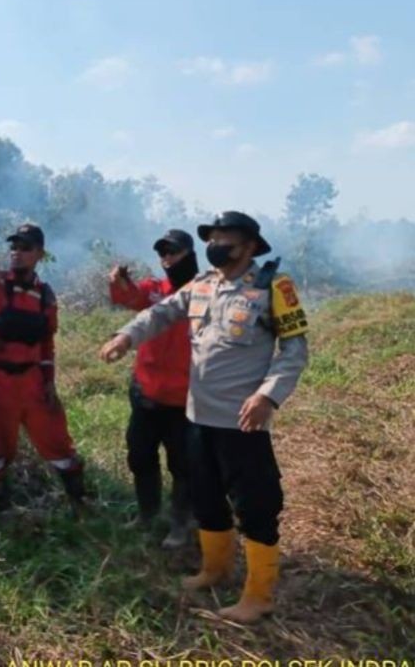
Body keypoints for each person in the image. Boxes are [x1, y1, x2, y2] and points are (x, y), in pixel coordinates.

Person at [100, 211, 309, 624]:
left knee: (255, 507)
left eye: (224, 239)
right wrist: (126, 336)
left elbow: (294, 351)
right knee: (207, 499)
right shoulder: (202, 284)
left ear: (249, 246)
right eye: (211, 239)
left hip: (242, 422)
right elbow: (159, 314)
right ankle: (215, 570)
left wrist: (268, 395)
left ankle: (259, 596)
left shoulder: (273, 287)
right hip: (197, 417)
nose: (215, 246)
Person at [0, 224, 85, 514]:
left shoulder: (45, 296)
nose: (17, 253)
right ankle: (1, 507)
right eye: (14, 247)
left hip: (32, 379)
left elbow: (47, 343)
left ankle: (79, 502)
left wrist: (49, 382)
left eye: (25, 248)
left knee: (56, 440)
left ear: (39, 254)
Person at [108, 229, 198, 548]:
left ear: (189, 253)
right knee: (140, 455)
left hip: (185, 398)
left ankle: (180, 523)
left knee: (183, 464)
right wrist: (119, 282)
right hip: (146, 393)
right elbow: (130, 298)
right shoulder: (155, 289)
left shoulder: (205, 293)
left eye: (173, 251)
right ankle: (148, 515)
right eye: (163, 253)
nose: (167, 258)